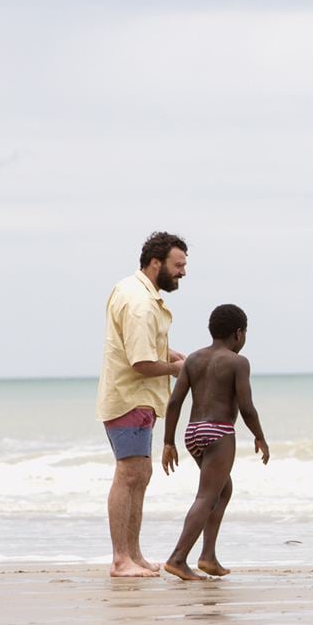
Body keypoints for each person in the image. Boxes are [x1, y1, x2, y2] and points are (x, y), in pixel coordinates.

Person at [97, 231, 188, 578]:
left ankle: (133, 554)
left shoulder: (135, 291)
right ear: (156, 263)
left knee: (141, 474)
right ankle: (121, 559)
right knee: (129, 474)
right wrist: (177, 369)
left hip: (136, 398)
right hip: (129, 397)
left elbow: (140, 347)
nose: (182, 272)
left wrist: (168, 353)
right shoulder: (139, 303)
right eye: (177, 265)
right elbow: (140, 363)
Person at [161, 304, 270, 580]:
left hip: (193, 433)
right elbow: (247, 407)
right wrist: (260, 436)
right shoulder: (237, 362)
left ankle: (208, 557)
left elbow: (175, 402)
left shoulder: (193, 360)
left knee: (223, 489)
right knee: (207, 495)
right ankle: (177, 558)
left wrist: (168, 442)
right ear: (239, 333)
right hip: (219, 433)